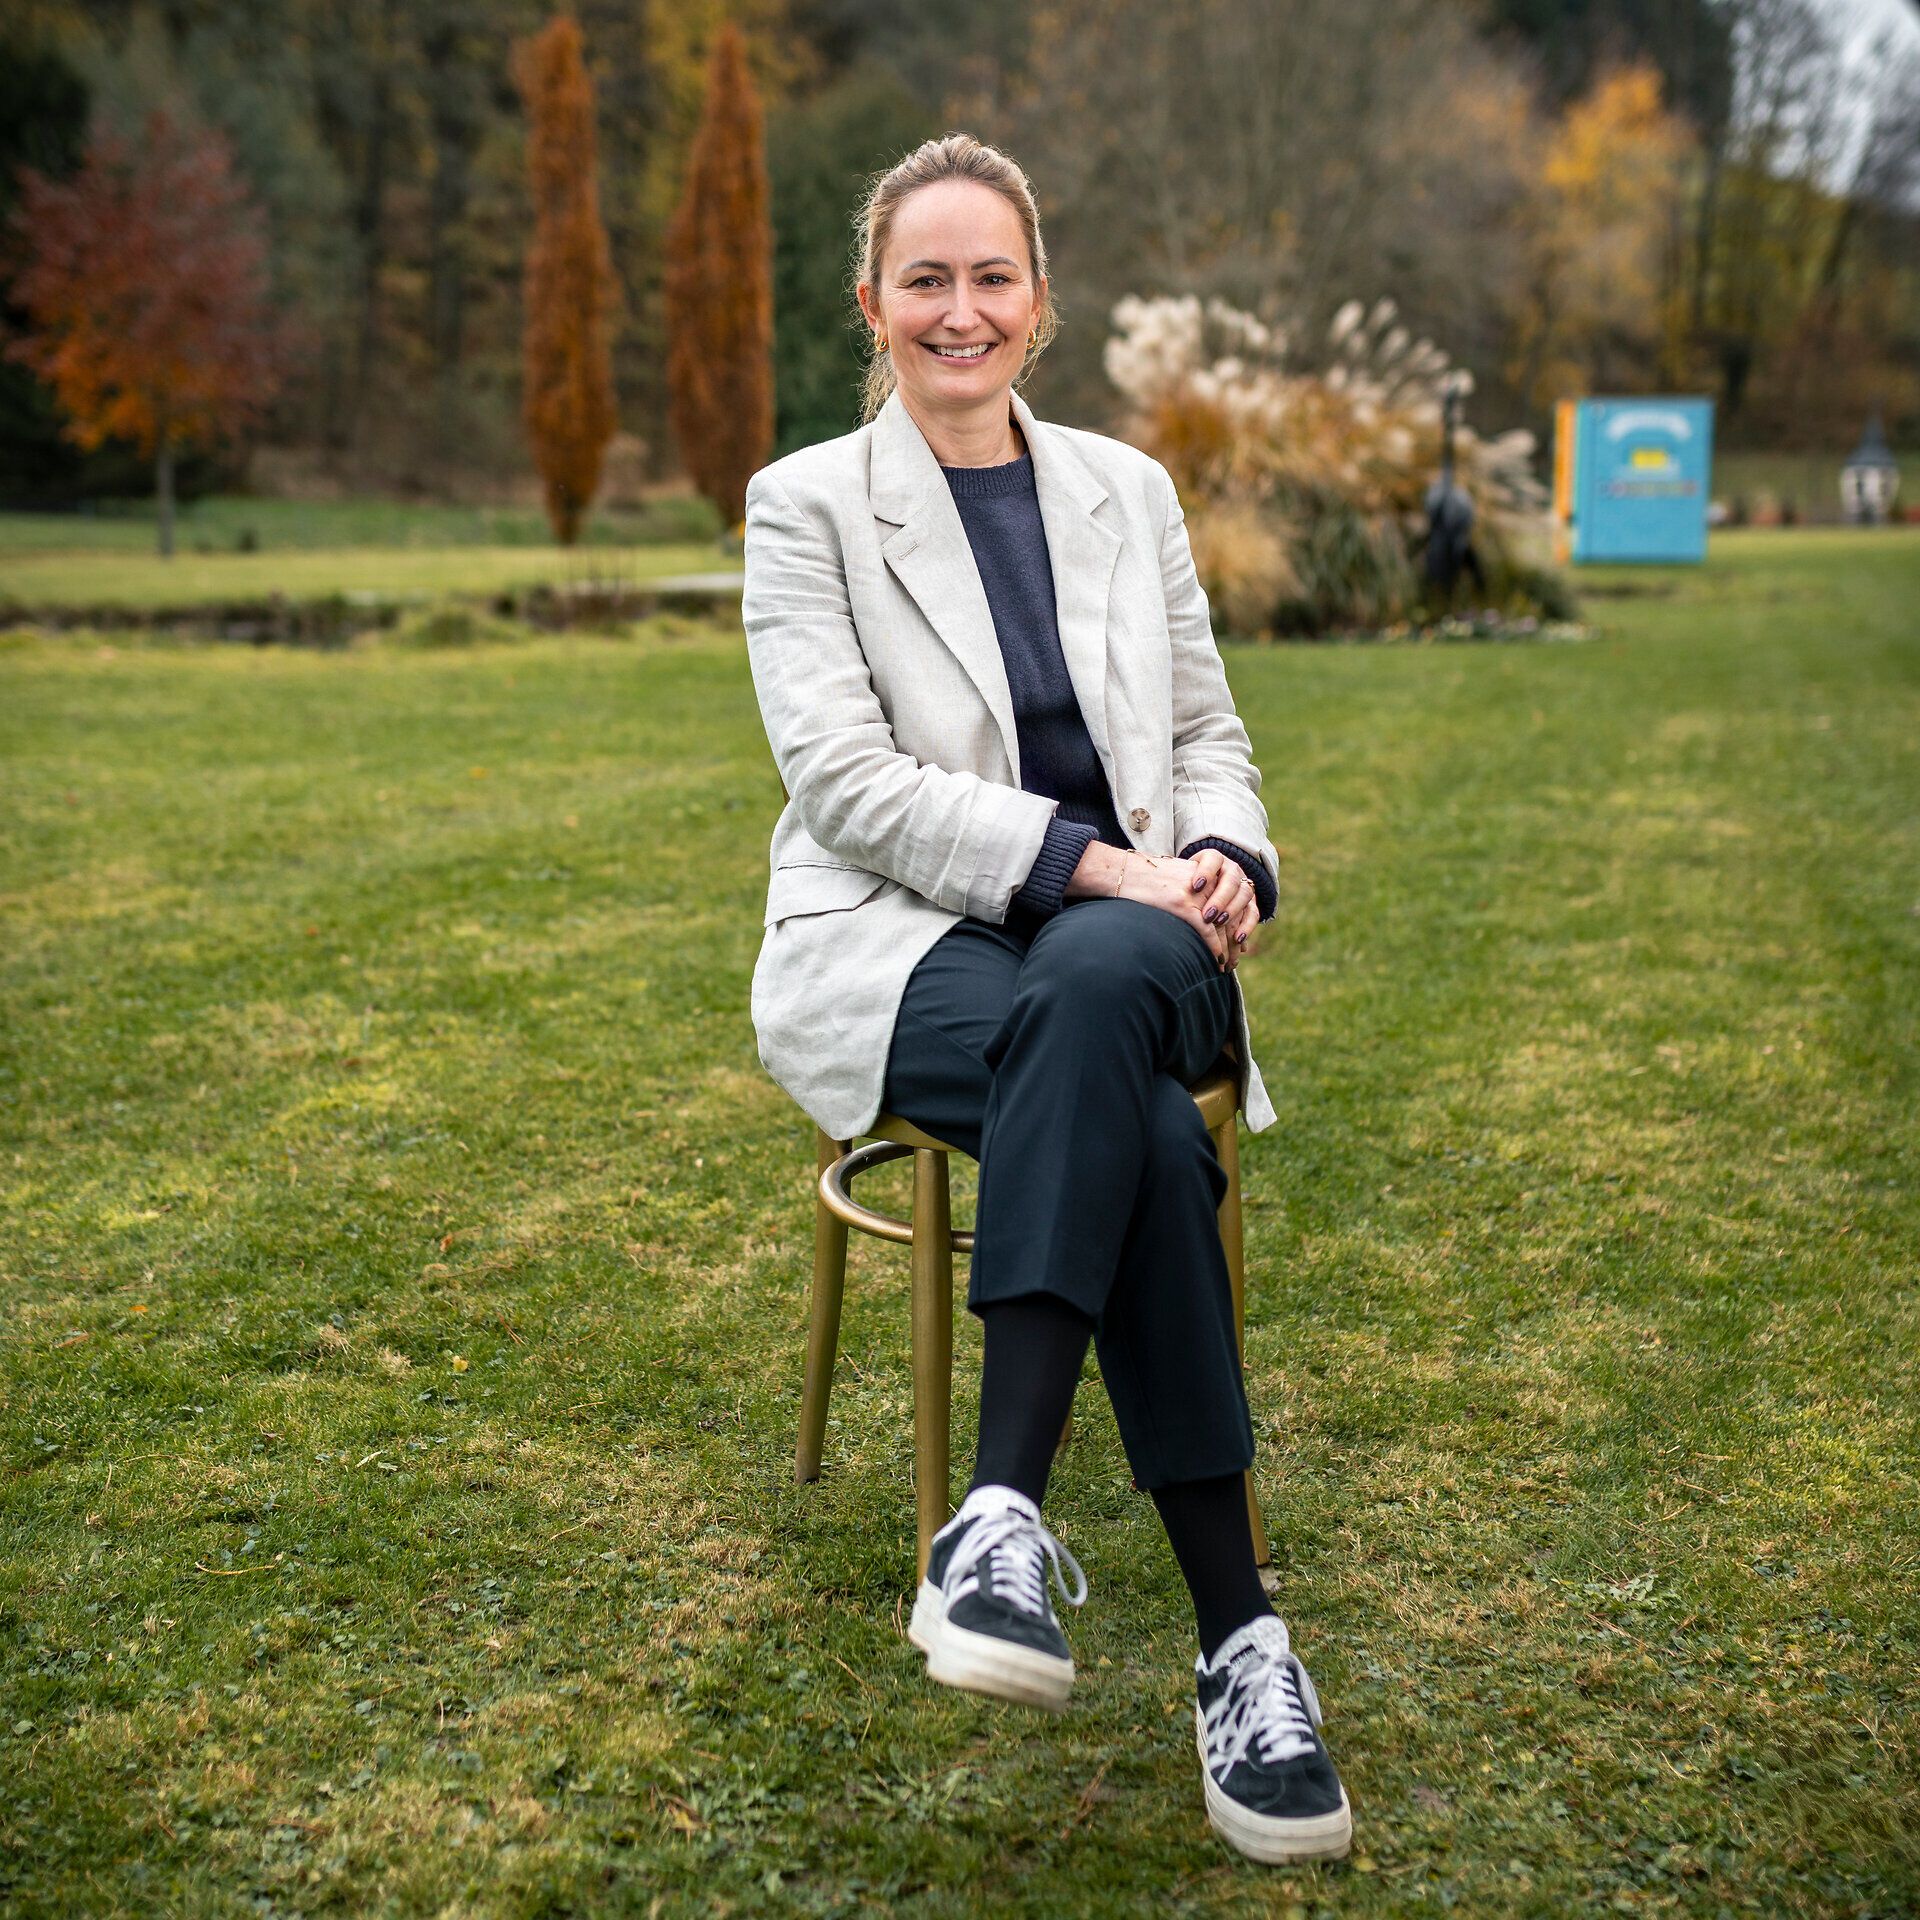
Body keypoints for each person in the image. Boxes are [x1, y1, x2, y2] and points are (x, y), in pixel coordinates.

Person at [741, 132, 1352, 1866]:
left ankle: (995, 1516)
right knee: (1134, 1111)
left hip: (1153, 928)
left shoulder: (1124, 491)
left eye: (989, 277)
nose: (960, 310)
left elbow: (1212, 735)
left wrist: (1229, 856)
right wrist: (1103, 872)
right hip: (900, 945)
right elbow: (848, 785)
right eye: (924, 280)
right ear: (873, 304)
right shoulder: (806, 507)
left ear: (1039, 302)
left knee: (1097, 989)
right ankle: (1246, 1645)